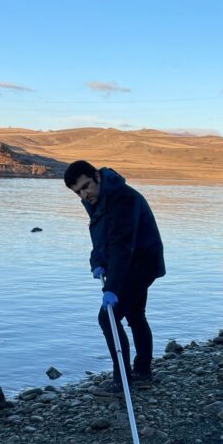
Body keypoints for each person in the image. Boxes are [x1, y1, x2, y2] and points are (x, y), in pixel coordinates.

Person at [64, 160, 165, 391]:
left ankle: (122, 380)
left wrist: (112, 289)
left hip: (140, 263)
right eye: (77, 191)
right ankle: (142, 372)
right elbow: (101, 235)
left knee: (107, 318)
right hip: (130, 262)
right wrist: (97, 260)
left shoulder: (123, 198)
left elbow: (122, 246)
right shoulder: (97, 197)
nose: (83, 194)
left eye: (86, 186)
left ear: (97, 176)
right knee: (135, 314)